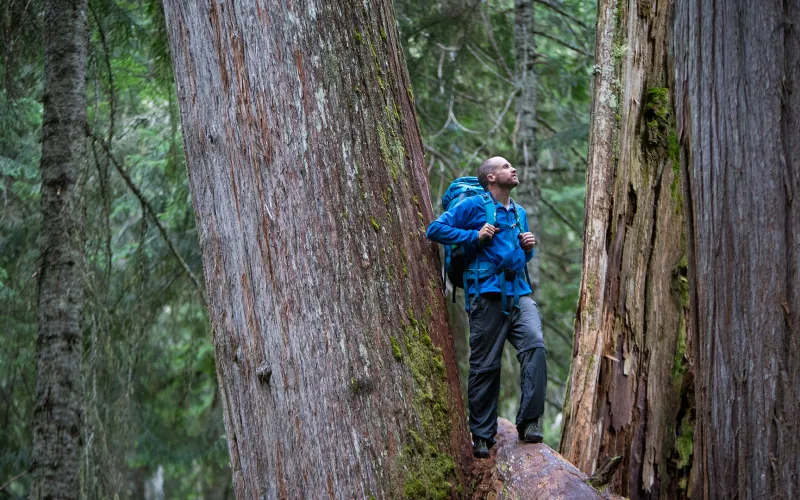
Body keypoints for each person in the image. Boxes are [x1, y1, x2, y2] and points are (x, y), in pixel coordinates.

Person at [426, 156, 548, 458]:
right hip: (486, 294)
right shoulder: (473, 206)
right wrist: (473, 235)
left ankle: (529, 422)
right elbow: (435, 230)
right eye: (505, 167)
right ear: (491, 178)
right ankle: (481, 435)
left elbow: (519, 258)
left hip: (518, 292)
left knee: (535, 346)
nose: (513, 169)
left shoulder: (519, 212)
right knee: (485, 365)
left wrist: (528, 249)